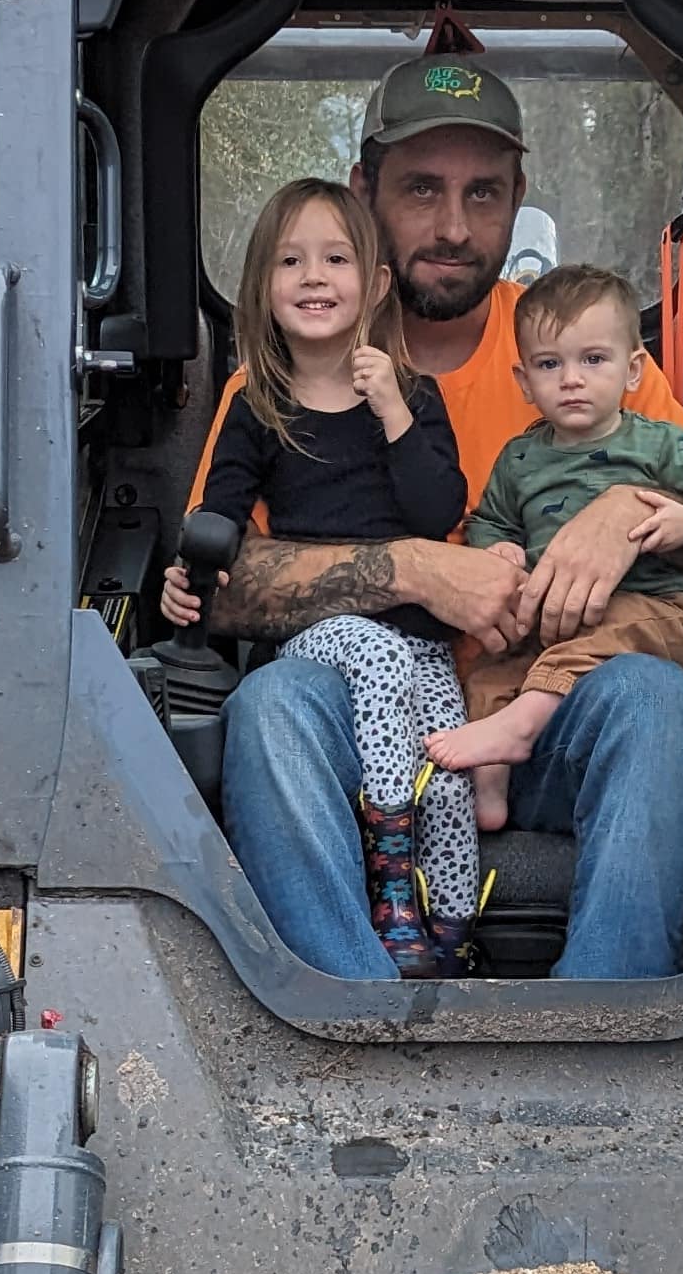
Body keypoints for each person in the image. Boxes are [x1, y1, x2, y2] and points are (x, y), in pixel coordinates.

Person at [166, 15, 683, 981]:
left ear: (518, 201)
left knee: (653, 696)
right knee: (272, 704)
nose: (455, 227)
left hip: (542, 722)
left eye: (483, 193)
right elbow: (221, 586)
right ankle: (357, 1022)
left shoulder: (578, 352)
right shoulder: (281, 381)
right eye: (422, 189)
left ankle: (604, 1030)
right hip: (360, 726)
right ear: (365, 192)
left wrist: (624, 512)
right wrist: (417, 569)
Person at [191, 177, 479, 972]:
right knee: (372, 650)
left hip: (419, 645)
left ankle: (450, 936)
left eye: (335, 259)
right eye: (291, 261)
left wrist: (392, 410)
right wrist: (191, 576)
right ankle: (391, 889)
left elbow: (436, 512)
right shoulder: (257, 405)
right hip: (319, 638)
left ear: (376, 284)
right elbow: (220, 516)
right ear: (262, 285)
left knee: (450, 773)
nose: (313, 276)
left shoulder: (414, 397)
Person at [430, 263, 683, 832]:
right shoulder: (519, 458)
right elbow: (491, 520)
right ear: (524, 381)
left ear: (632, 370)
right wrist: (499, 549)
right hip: (552, 622)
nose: (571, 380)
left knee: (609, 633)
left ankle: (523, 725)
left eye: (592, 360)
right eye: (549, 365)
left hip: (654, 609)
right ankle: (490, 788)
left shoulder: (656, 443)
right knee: (489, 672)